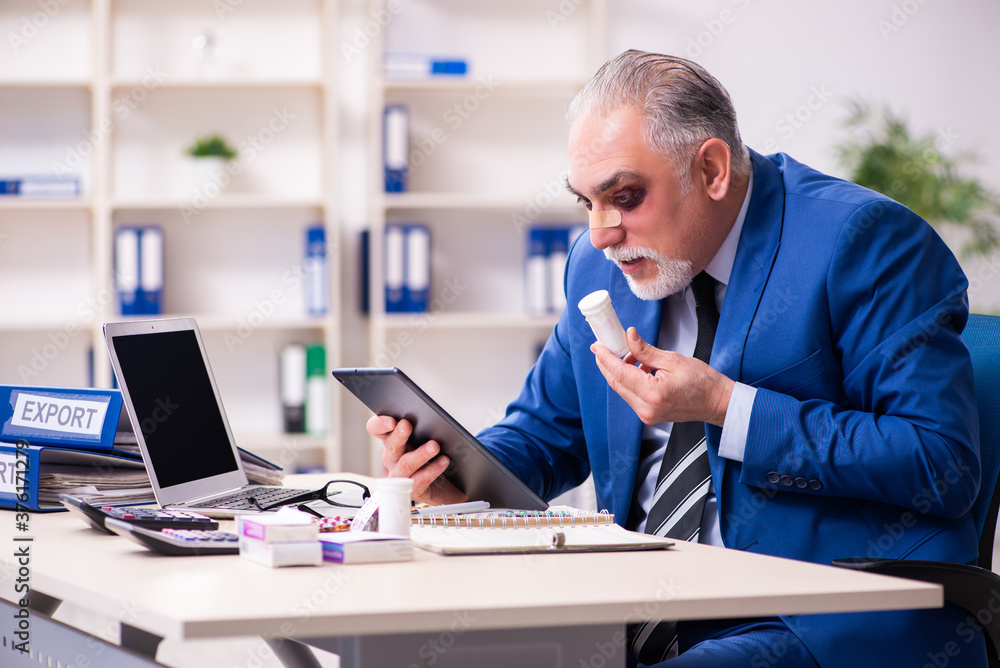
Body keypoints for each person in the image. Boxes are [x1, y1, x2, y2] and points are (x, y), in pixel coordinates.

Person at [367, 50, 986, 667]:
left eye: (626, 196)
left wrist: (725, 406)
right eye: (587, 202)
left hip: (820, 616)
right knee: (409, 651)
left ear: (712, 169)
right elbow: (543, 434)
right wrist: (453, 470)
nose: (602, 232)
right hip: (633, 603)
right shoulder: (599, 265)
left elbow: (942, 463)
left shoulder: (864, 241)